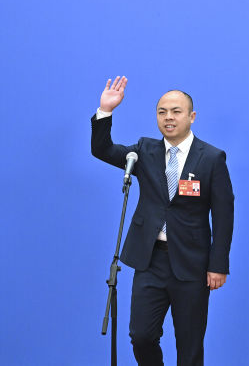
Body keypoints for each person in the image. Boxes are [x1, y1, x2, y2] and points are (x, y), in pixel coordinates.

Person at [91, 76, 234, 366]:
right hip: (150, 260)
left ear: (191, 116)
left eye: (176, 111)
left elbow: (223, 214)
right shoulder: (144, 151)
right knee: (141, 336)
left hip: (192, 264)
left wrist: (218, 264)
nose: (168, 117)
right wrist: (105, 111)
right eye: (162, 112)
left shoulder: (211, 158)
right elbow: (102, 150)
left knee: (189, 346)